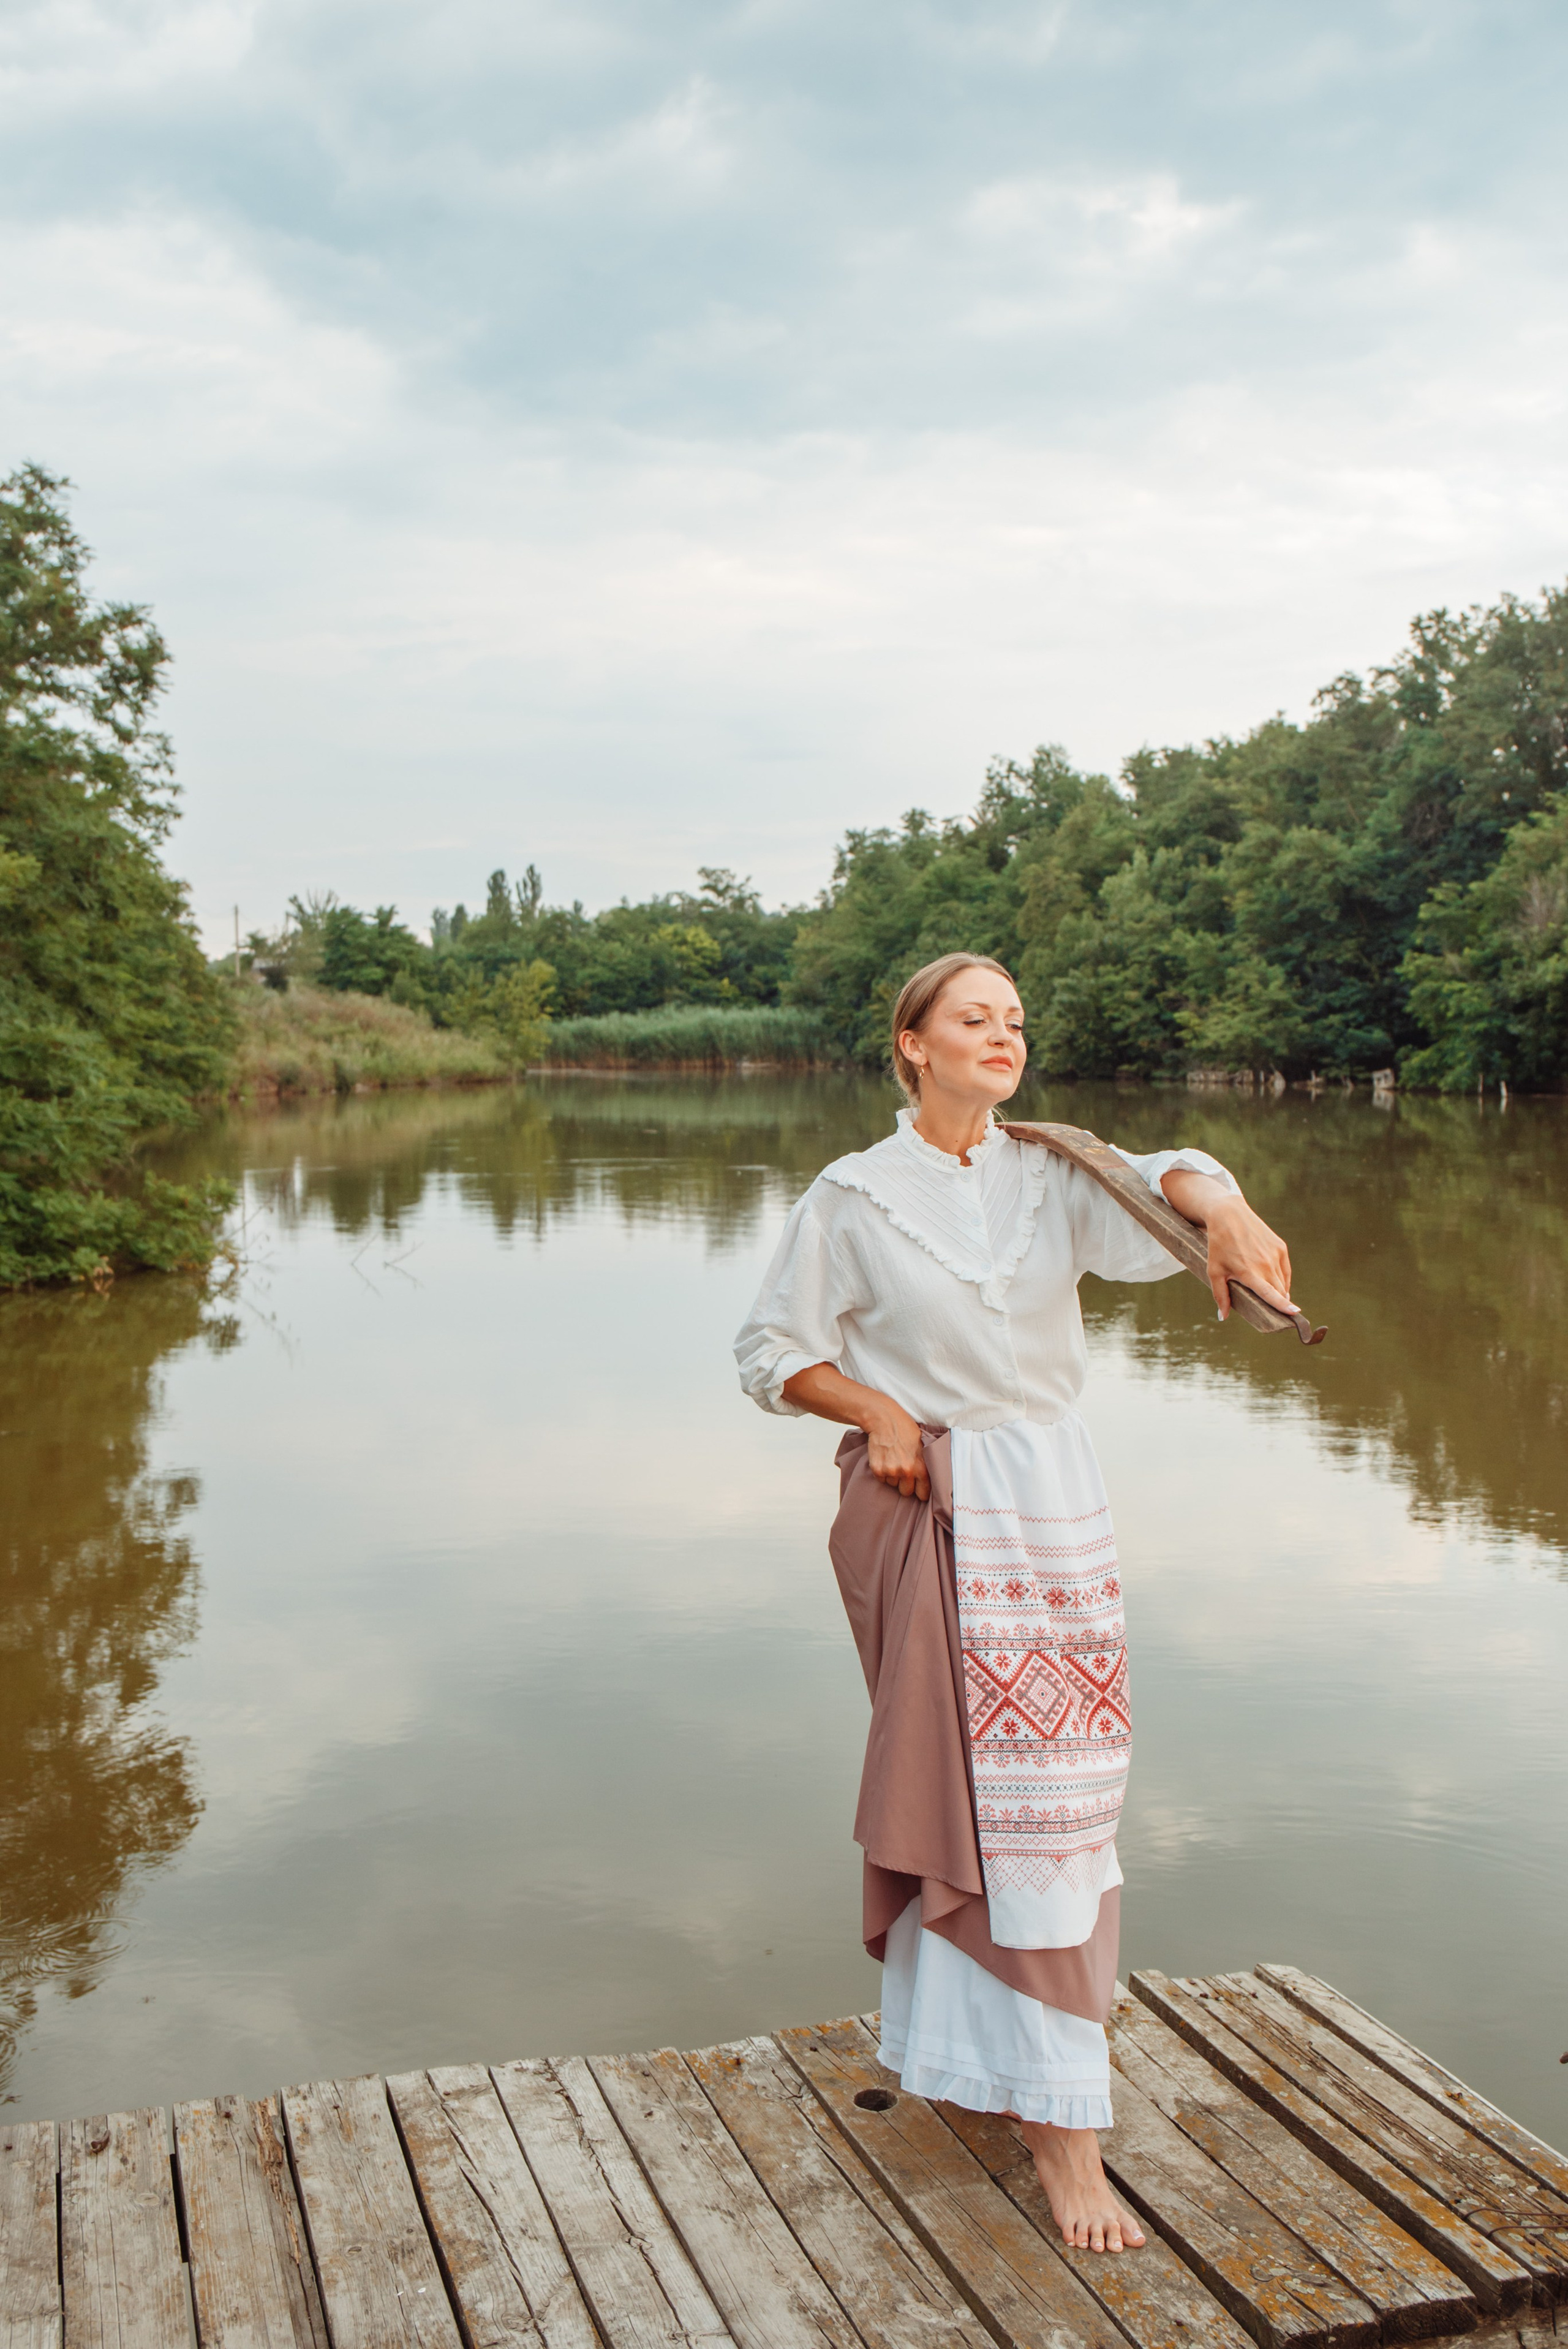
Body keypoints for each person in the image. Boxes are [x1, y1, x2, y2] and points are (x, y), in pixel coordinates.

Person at [734, 953, 1296, 2254]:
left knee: (1061, 1807)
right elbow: (770, 1352)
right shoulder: (853, 1196)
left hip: (1053, 1509)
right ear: (912, 1044)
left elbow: (1167, 1172)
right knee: (983, 1809)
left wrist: (1224, 1206)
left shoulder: (1050, 1173)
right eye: (974, 1019)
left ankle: (992, 2063)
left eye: (1017, 1022)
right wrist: (876, 1407)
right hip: (930, 1508)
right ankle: (1061, 2132)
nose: (1004, 1037)